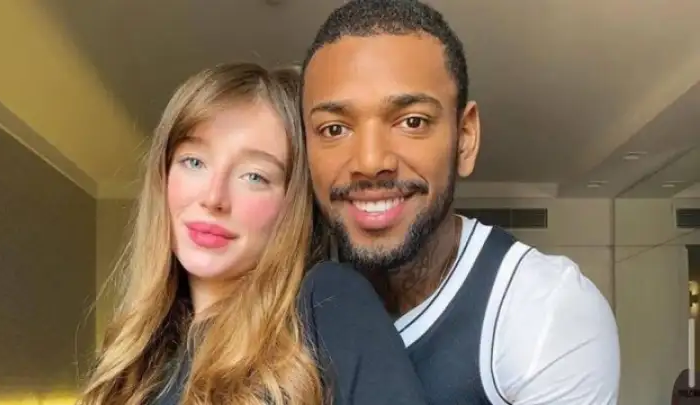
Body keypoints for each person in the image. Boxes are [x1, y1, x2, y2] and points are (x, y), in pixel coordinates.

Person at [301, 1, 621, 404]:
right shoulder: (285, 297)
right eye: (334, 129)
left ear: (465, 139)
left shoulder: (544, 311)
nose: (369, 162)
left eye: (412, 122)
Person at [77, 63, 428, 405]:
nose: (214, 198)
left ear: (292, 203)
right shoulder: (132, 356)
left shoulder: (325, 302)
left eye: (254, 176)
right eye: (194, 162)